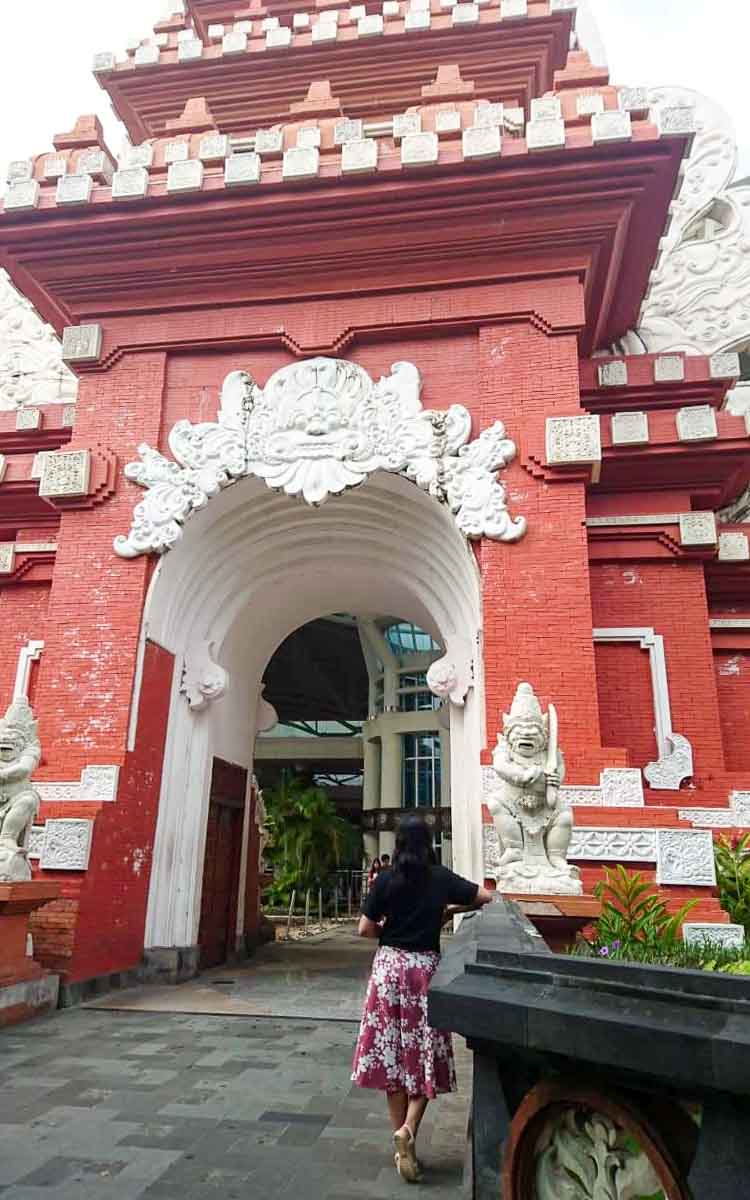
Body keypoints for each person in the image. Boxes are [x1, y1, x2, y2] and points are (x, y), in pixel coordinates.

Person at [351, 814, 493, 1183]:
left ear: (397, 845)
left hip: (388, 971)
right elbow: (484, 897)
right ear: (428, 844)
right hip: (423, 971)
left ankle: (402, 1142)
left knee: (392, 1057)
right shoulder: (441, 878)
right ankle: (409, 1131)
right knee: (427, 1056)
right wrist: (449, 910)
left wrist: (388, 927)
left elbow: (365, 929)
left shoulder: (385, 880)